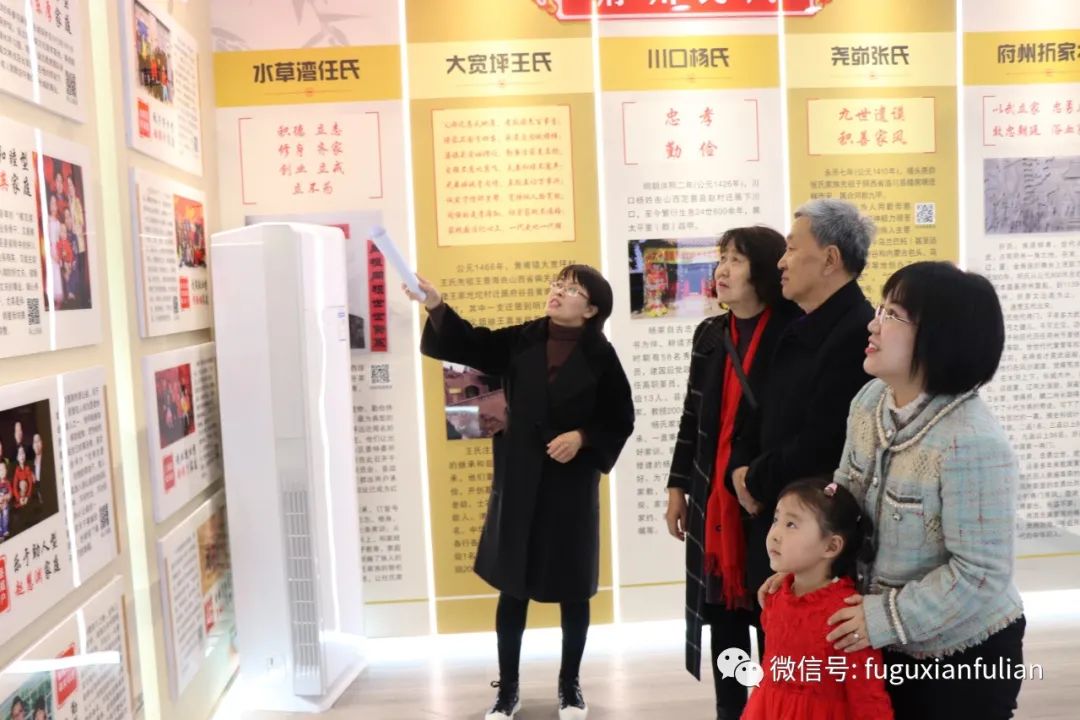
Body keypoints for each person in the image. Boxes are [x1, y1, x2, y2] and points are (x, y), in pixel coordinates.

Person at [406, 265, 634, 720]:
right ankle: (507, 690)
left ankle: (570, 686)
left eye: (571, 289)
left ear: (591, 309)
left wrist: (582, 438)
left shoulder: (601, 356)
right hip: (519, 477)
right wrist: (435, 304)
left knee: (573, 590)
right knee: (513, 588)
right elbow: (469, 343)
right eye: (557, 284)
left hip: (569, 485)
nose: (558, 292)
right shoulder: (523, 338)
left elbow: (619, 418)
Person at [814, 261, 1024, 719]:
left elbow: (981, 574)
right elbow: (843, 499)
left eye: (892, 315)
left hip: (962, 656)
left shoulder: (972, 441)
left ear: (939, 337)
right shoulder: (869, 401)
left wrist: (882, 618)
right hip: (884, 641)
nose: (873, 324)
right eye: (881, 310)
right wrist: (804, 564)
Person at [663, 226, 801, 719]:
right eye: (722, 258)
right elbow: (691, 416)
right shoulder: (710, 334)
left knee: (773, 616)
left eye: (736, 260)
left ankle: (773, 709)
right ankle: (731, 711)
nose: (722, 270)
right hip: (712, 498)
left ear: (762, 269)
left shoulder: (791, 331)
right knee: (723, 619)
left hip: (767, 497)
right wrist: (677, 486)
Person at [730, 199, 876, 597]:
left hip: (817, 540)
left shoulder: (857, 334)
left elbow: (822, 442)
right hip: (778, 515)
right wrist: (739, 467)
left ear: (830, 259)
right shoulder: (799, 327)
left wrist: (752, 480)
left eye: (792, 248)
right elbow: (761, 411)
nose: (781, 262)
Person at [744, 478, 892, 720]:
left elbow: (867, 698)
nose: (775, 534)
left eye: (791, 524)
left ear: (831, 546)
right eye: (776, 520)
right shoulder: (776, 596)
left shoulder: (846, 614)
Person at [0, 463, 11, 539]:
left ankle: (5, 529)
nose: (2, 471)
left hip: (5, 503)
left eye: (4, 469)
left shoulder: (7, 483)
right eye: (0, 470)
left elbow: (10, 494)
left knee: (5, 513)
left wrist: (5, 498)